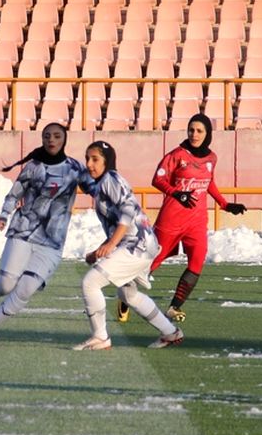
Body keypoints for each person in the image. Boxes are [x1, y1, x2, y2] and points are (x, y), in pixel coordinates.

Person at [0, 122, 91, 340]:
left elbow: (96, 189)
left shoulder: (75, 168)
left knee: (26, 288)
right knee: (7, 284)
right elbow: (14, 194)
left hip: (52, 240)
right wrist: (4, 214)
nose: (51, 140)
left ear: (65, 140)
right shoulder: (33, 167)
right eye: (47, 136)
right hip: (23, 232)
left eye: (56, 136)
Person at [121, 113, 246, 325]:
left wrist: (225, 204)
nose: (194, 134)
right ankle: (126, 294)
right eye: (191, 130)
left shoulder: (211, 158)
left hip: (197, 221)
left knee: (197, 261)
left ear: (207, 134)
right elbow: (157, 179)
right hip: (172, 218)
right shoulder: (177, 155)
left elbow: (209, 182)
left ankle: (174, 306)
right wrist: (176, 193)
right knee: (153, 260)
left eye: (199, 131)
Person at [75, 141, 185, 351]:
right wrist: (101, 248)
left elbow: (128, 212)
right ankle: (170, 332)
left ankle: (100, 337)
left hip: (137, 245)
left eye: (95, 159)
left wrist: (111, 244)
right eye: (87, 158)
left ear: (107, 161)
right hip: (143, 243)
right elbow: (122, 222)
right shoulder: (106, 183)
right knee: (128, 295)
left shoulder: (110, 179)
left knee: (90, 283)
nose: (89, 164)